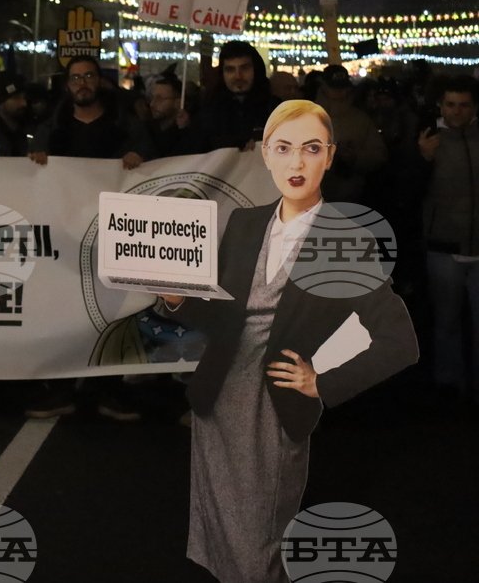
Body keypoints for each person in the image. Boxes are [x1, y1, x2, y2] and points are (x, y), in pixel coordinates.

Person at [161, 99, 417, 582]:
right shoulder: (245, 223)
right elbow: (222, 316)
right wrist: (177, 300)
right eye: (283, 148)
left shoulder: (345, 243)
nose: (296, 162)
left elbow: (399, 340)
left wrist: (323, 382)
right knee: (220, 536)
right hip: (217, 399)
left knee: (261, 539)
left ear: (330, 156)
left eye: (311, 148)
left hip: (274, 409)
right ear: (266, 155)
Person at [26, 56, 155, 420]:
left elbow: (154, 161)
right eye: (75, 78)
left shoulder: (125, 125)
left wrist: (140, 156)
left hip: (112, 234)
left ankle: (108, 390)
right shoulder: (52, 127)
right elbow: (31, 171)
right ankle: (63, 388)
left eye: (88, 76)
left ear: (100, 81)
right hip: (65, 237)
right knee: (65, 311)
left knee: (112, 311)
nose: (82, 83)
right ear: (68, 85)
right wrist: (36, 158)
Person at [418, 76, 479, 404]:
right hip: (444, 243)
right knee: (446, 320)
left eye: (464, 105)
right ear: (441, 106)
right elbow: (407, 190)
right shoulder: (429, 139)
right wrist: (421, 160)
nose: (457, 111)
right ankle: (449, 383)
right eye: (451, 104)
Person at [316, 65, 386, 204]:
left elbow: (379, 155)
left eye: (343, 88)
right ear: (324, 87)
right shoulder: (308, 117)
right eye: (334, 88)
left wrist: (355, 157)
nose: (340, 93)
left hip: (351, 198)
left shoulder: (361, 119)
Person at [192, 40, 280, 151]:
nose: (238, 76)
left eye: (244, 68)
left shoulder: (276, 110)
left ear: (256, 70)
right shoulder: (209, 112)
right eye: (230, 70)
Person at [147, 76, 203, 158]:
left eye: (160, 99)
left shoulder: (193, 130)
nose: (152, 104)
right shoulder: (147, 129)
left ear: (178, 102)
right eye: (152, 98)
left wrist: (184, 130)